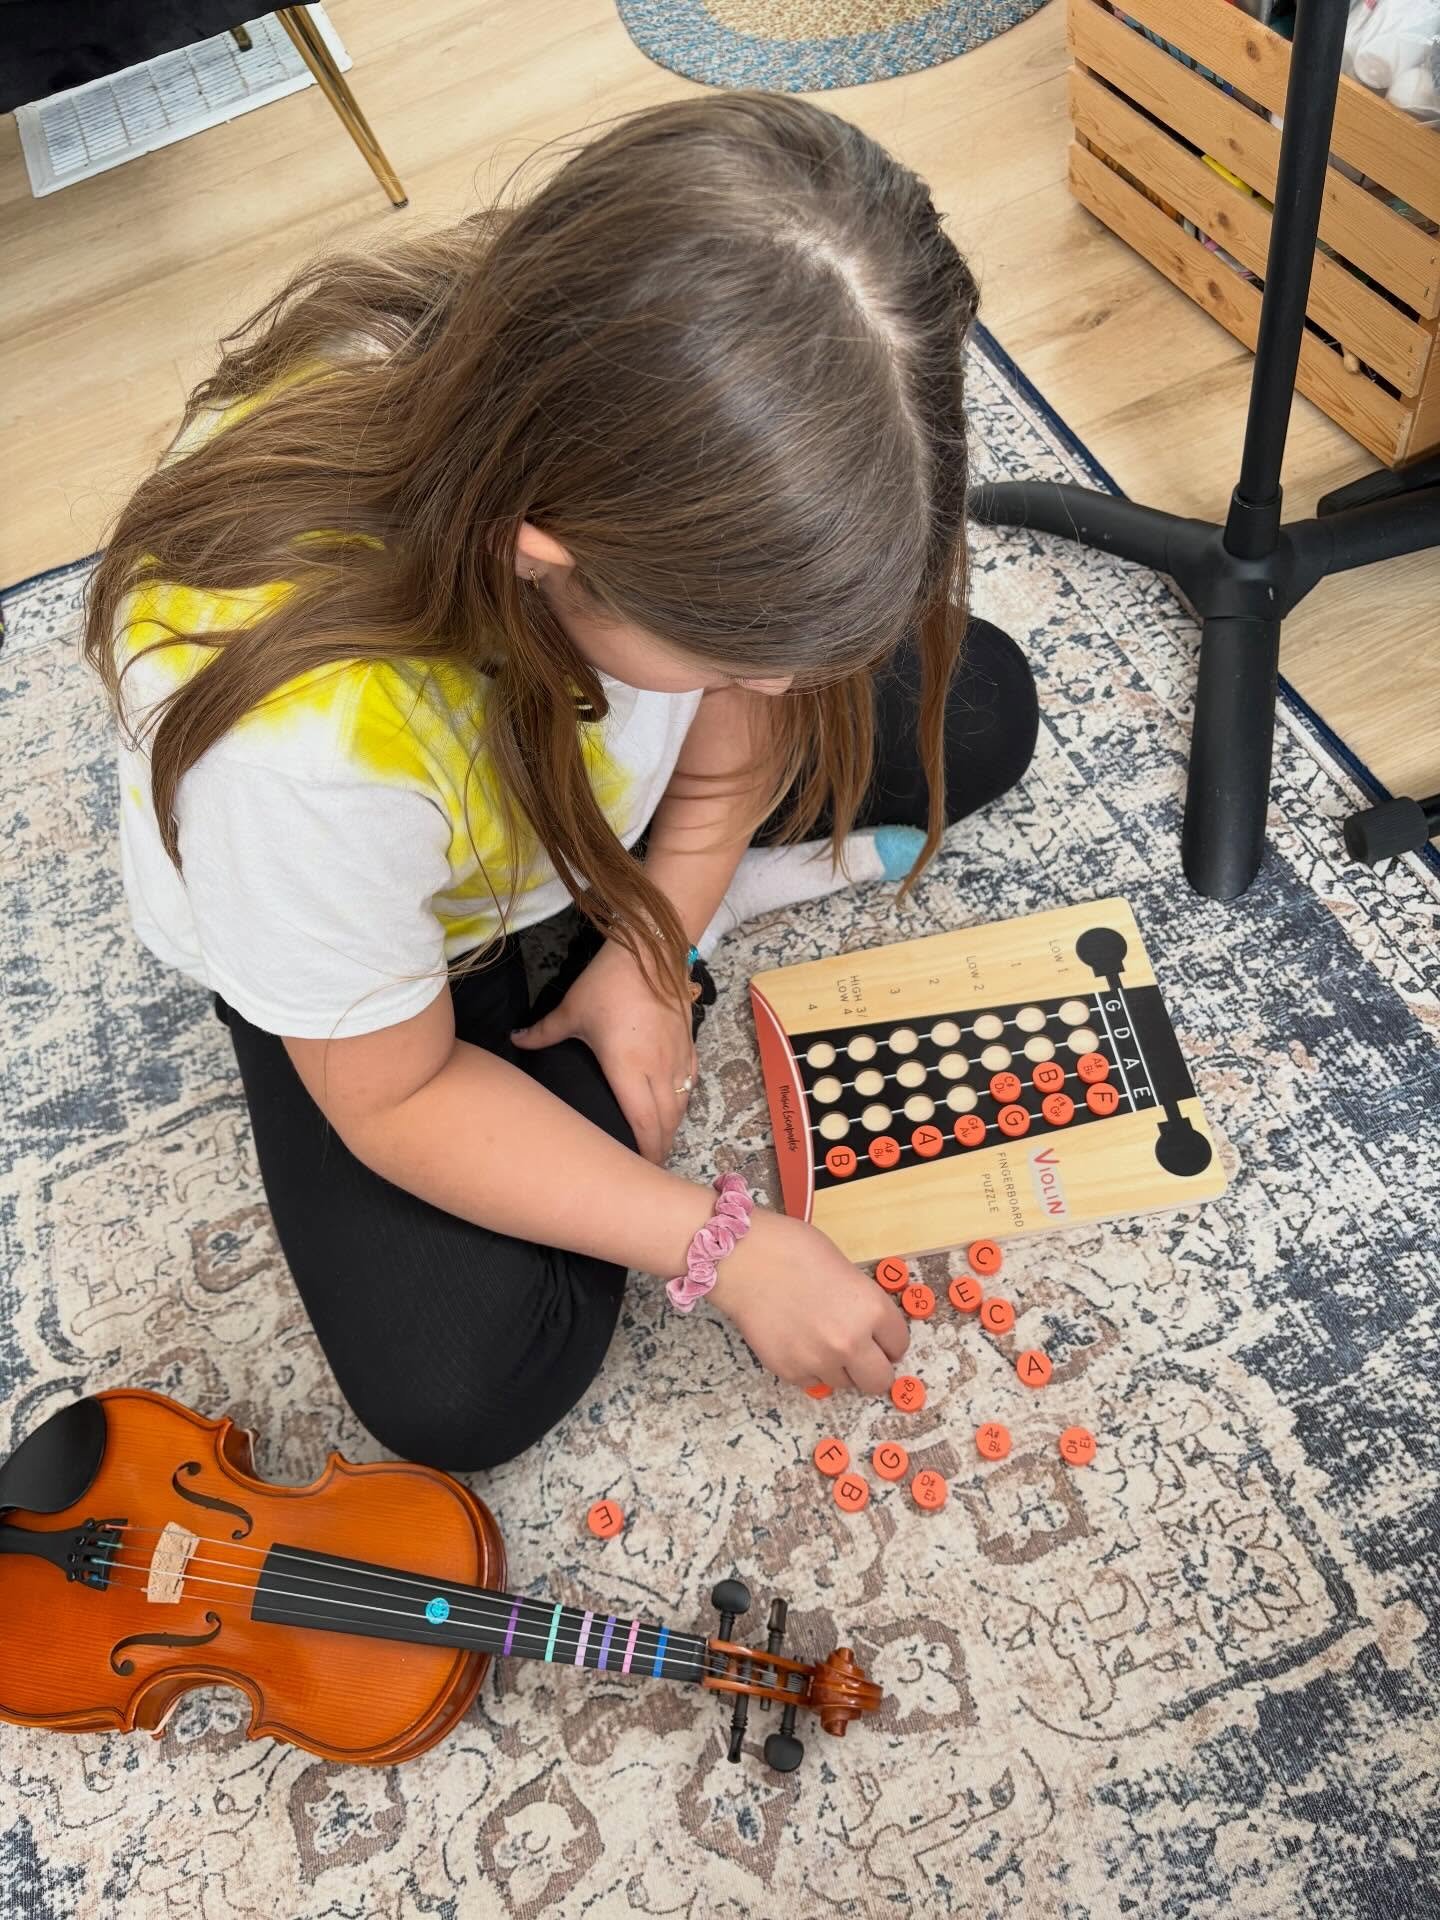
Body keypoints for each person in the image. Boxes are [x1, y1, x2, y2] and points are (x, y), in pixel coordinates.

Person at [85, 92, 1038, 1470]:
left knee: (983, 705)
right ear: (548, 553)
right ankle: (568, 989)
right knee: (462, 1383)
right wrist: (727, 1242)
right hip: (389, 947)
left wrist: (658, 941)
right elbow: (395, 1101)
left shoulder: (615, 374)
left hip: (561, 789)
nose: (778, 688)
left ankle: (623, 953)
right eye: (739, 650)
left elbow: (737, 726)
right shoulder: (299, 757)